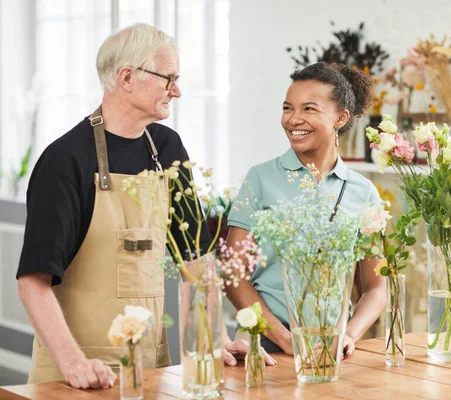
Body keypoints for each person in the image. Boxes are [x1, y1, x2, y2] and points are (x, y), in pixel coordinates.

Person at [16, 23, 274, 390]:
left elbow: (196, 260)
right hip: (76, 376)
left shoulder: (168, 149)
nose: (178, 91)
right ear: (126, 77)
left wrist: (212, 341)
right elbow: (32, 283)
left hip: (152, 370)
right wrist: (75, 363)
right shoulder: (65, 160)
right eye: (168, 78)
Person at [225, 62, 386, 355]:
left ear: (341, 118)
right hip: (262, 347)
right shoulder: (260, 179)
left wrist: (349, 334)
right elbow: (233, 276)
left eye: (309, 109)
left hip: (331, 350)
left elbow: (376, 287)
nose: (293, 119)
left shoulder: (363, 192)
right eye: (288, 108)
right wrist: (287, 341)